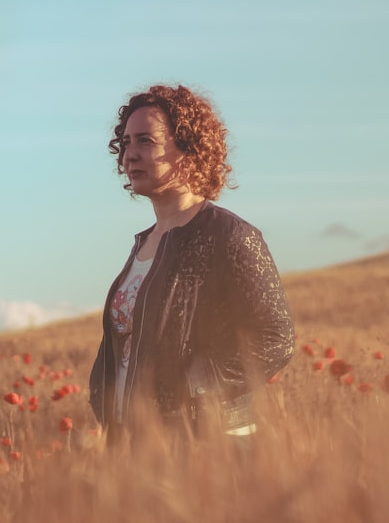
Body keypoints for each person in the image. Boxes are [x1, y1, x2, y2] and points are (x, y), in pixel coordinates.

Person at [88, 84, 295, 449]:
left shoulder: (229, 235)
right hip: (135, 443)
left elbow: (275, 338)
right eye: (125, 143)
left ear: (187, 147)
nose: (129, 155)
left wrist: (190, 387)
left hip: (207, 442)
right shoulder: (145, 242)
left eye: (145, 142)